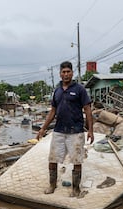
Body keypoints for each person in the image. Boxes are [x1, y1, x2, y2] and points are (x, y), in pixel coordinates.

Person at [36, 61, 94, 197]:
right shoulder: (57, 91)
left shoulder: (80, 89)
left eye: (68, 72)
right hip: (59, 131)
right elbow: (53, 111)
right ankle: (52, 185)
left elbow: (88, 110)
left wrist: (90, 130)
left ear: (72, 73)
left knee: (77, 160)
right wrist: (43, 128)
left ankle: (75, 188)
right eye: (64, 72)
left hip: (76, 131)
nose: (66, 74)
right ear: (60, 74)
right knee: (52, 159)